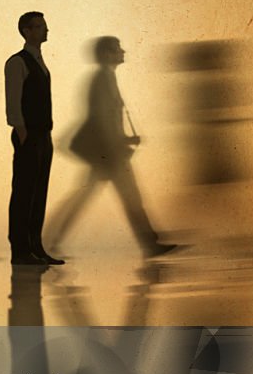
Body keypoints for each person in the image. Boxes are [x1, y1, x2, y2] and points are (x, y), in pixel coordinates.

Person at [46, 36, 177, 258]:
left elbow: (105, 119)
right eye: (117, 49)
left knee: (87, 197)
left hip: (108, 153)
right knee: (128, 198)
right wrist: (122, 142)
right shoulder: (103, 79)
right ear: (106, 54)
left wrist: (123, 139)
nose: (123, 52)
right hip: (110, 154)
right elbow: (103, 120)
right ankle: (150, 245)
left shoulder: (105, 77)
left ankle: (50, 240)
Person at [4, 11, 62, 266]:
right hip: (29, 135)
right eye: (40, 26)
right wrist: (22, 131)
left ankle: (35, 246)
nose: (46, 30)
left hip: (43, 135)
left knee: (39, 193)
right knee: (24, 193)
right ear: (27, 31)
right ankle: (20, 250)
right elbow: (13, 102)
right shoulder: (18, 62)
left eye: (45, 26)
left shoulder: (39, 60)